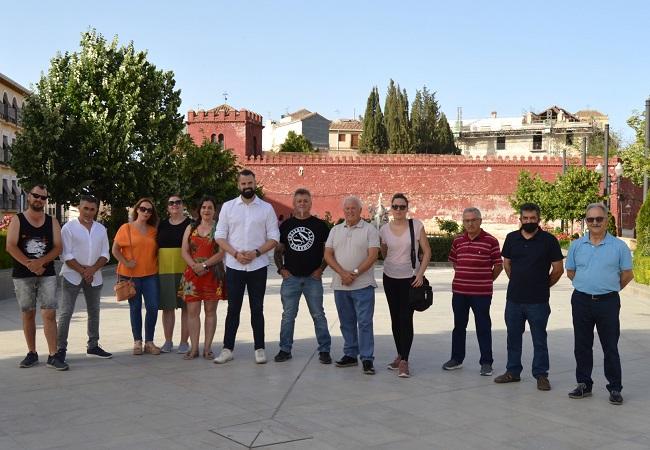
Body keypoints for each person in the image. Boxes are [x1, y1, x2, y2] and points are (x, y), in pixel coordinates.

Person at [566, 203, 634, 405]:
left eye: (599, 219)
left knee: (610, 346)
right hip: (581, 301)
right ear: (586, 222)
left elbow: (627, 275)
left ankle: (615, 388)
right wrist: (587, 284)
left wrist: (609, 288)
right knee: (582, 345)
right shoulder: (576, 246)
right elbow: (570, 272)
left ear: (606, 220)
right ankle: (584, 384)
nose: (594, 222)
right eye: (590, 219)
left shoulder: (619, 246)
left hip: (608, 302)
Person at [493, 203, 563, 390]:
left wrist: (542, 285)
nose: (529, 221)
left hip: (538, 301)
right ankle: (512, 372)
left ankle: (541, 375)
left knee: (539, 339)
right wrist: (517, 281)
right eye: (525, 218)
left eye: (533, 218)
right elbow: (507, 264)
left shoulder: (549, 240)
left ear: (539, 219)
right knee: (513, 338)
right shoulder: (511, 238)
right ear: (520, 219)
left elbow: (558, 270)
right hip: (514, 299)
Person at [214, 169, 280, 364]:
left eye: (250, 183)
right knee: (233, 309)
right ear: (238, 185)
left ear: (255, 183)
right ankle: (227, 349)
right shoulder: (228, 207)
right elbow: (219, 235)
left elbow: (274, 237)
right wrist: (235, 253)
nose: (247, 187)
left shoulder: (266, 208)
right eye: (243, 184)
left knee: (257, 308)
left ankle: (259, 348)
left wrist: (256, 253)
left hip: (257, 266)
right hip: (234, 266)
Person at [6, 184, 66, 370]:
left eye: (43, 198)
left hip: (46, 273)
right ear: (29, 196)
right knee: (28, 313)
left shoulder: (52, 221)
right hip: (23, 275)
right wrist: (30, 264)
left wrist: (41, 263)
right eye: (36, 196)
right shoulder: (18, 220)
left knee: (49, 312)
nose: (39, 200)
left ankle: (53, 355)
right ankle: (32, 353)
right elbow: (11, 246)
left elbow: (58, 247)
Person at [273, 188, 332, 364]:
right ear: (294, 203)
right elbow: (278, 251)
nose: (302, 204)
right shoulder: (286, 226)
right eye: (299, 201)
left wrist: (321, 269)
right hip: (291, 278)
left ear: (311, 203)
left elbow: (328, 252)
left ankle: (324, 350)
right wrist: (281, 269)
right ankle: (285, 349)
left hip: (312, 279)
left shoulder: (320, 225)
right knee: (288, 316)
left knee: (318, 315)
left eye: (305, 201)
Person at [443, 207, 502, 376]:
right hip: (459, 292)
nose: (470, 223)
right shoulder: (458, 241)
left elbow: (498, 266)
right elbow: (455, 262)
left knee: (483, 326)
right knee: (459, 326)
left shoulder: (491, 241)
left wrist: (485, 280)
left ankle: (486, 362)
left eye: (473, 220)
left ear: (480, 221)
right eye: (466, 220)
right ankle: (456, 359)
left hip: (481, 294)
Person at [324, 196, 379, 375]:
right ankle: (350, 354)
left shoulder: (369, 230)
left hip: (363, 285)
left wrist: (354, 273)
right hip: (341, 285)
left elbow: (372, 256)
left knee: (364, 322)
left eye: (353, 208)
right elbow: (328, 255)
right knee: (346, 322)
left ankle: (367, 358)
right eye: (347, 208)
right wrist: (342, 273)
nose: (350, 211)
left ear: (360, 210)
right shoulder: (335, 230)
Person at [379, 193, 431, 378]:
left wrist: (420, 273)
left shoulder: (416, 226)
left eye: (402, 207)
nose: (399, 210)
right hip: (390, 278)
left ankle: (405, 361)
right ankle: (400, 354)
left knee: (406, 318)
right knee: (395, 318)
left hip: (410, 279)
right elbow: (384, 253)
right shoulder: (384, 229)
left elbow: (427, 252)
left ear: (407, 208)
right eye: (395, 206)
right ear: (390, 208)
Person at [57, 194, 113, 363]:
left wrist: (92, 270)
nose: (88, 212)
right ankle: (60, 349)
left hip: (95, 276)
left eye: (92, 209)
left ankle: (93, 345)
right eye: (85, 208)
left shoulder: (101, 229)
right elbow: (65, 254)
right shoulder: (68, 228)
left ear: (96, 210)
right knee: (66, 312)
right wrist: (84, 271)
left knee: (94, 312)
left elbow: (105, 254)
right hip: (72, 276)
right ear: (79, 208)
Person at [112, 198, 161, 356]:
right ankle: (137, 342)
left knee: (153, 307)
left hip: (150, 274)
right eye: (143, 209)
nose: (146, 212)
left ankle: (149, 342)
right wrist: (126, 261)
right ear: (137, 210)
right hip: (131, 275)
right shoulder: (126, 228)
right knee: (135, 308)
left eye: (149, 210)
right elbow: (115, 250)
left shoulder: (154, 230)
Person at [179, 195, 226, 360]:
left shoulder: (220, 228)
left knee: (210, 311)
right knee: (192, 312)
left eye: (210, 208)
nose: (206, 210)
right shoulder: (191, 227)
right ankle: (194, 348)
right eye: (204, 207)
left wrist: (204, 265)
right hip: (192, 274)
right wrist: (194, 266)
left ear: (214, 211)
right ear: (199, 210)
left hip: (212, 274)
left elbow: (221, 253)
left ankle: (207, 348)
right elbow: (184, 250)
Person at [157, 194, 191, 354]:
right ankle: (168, 341)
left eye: (178, 202)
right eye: (171, 203)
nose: (175, 205)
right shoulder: (161, 225)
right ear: (167, 207)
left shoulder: (190, 224)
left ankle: (184, 342)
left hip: (186, 270)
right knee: (167, 308)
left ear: (182, 205)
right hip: (164, 271)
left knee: (187, 308)